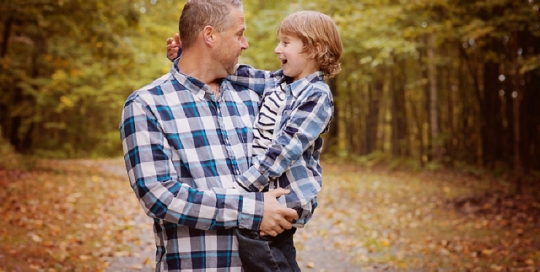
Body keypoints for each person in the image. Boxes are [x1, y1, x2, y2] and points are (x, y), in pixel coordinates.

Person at [119, 0, 299, 271]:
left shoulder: (253, 98)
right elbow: (159, 196)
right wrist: (252, 210)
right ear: (210, 35)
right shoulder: (147, 105)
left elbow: (303, 89)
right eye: (239, 33)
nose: (245, 44)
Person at [167, 10, 343, 272]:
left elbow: (283, 151)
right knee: (255, 254)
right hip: (263, 193)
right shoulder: (279, 83)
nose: (277, 49)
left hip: (285, 197)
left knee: (270, 259)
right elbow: (240, 74)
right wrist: (187, 55)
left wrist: (241, 188)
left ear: (314, 48)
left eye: (285, 43)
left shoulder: (316, 96)